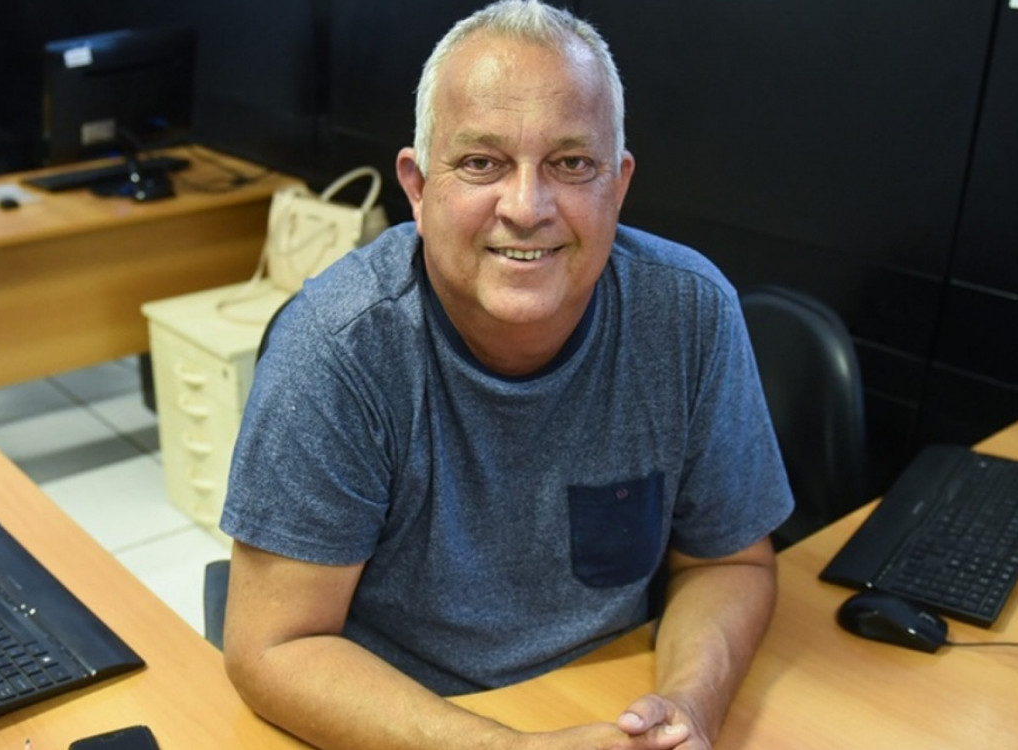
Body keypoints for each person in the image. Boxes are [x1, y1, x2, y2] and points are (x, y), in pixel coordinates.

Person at [219, 1, 793, 748]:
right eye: (481, 163)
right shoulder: (335, 349)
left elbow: (729, 564)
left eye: (571, 164)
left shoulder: (689, 313)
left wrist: (688, 711)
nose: (526, 208)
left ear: (618, 185)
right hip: (406, 723)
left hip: (607, 696)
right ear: (418, 187)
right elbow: (274, 648)